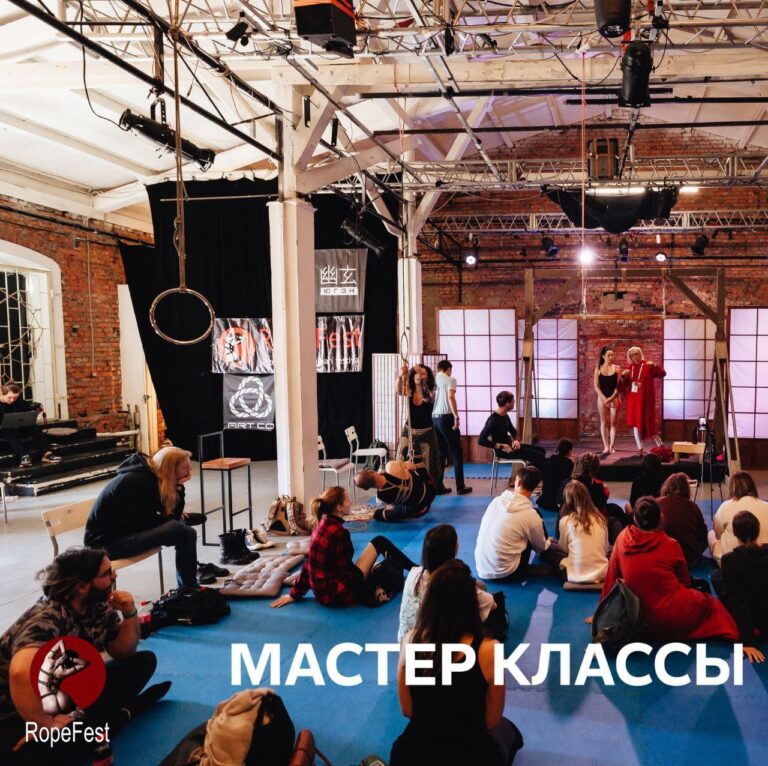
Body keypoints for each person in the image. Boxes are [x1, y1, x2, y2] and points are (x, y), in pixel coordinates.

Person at [0, 547, 170, 764]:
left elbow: (123, 651)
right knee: (32, 755)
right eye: (106, 574)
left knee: (143, 662)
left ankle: (91, 726)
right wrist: (44, 723)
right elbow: (19, 672)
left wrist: (129, 613)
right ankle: (117, 717)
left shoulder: (97, 605)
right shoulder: (48, 618)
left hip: (65, 696)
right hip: (16, 711)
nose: (114, 576)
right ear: (81, 587)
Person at [390, 560, 524, 766]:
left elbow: (407, 709)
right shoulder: (490, 650)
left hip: (415, 754)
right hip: (469, 755)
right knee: (508, 731)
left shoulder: (410, 641)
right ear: (471, 604)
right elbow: (492, 720)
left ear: (430, 601)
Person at [599, 497, 739, 643]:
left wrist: (602, 610)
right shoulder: (671, 544)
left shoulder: (622, 539)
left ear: (635, 518)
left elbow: (612, 575)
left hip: (636, 615)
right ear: (660, 518)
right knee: (711, 604)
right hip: (671, 615)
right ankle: (739, 637)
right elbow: (685, 581)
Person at [271, 486, 415, 608]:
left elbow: (310, 565)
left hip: (322, 594)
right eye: (347, 500)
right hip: (338, 595)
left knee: (381, 548)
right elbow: (345, 574)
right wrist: (367, 588)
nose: (350, 502)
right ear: (339, 507)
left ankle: (415, 570)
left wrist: (295, 594)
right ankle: (417, 570)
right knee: (389, 562)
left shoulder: (320, 525)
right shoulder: (339, 533)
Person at [84, 448, 206, 588]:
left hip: (127, 531)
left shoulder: (153, 477)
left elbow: (166, 513)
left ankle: (188, 587)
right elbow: (143, 523)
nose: (190, 470)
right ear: (170, 468)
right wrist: (171, 520)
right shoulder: (138, 481)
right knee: (179, 528)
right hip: (106, 545)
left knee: (186, 532)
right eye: (185, 467)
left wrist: (179, 488)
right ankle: (188, 588)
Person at [398, 524, 496, 643]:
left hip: (405, 642)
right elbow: (492, 604)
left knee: (479, 586)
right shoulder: (451, 584)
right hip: (434, 648)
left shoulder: (414, 573)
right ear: (454, 549)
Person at [474, 465, 551, 581]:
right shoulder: (530, 514)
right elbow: (541, 548)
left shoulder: (496, 501)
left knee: (522, 527)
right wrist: (548, 542)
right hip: (507, 573)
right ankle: (524, 568)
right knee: (532, 524)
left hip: (481, 569)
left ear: (518, 482)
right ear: (535, 487)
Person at [711, 511, 767, 664]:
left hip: (757, 620)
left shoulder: (730, 560)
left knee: (717, 576)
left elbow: (739, 601)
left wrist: (748, 641)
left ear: (735, 533)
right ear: (758, 530)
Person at [396, 363, 449, 494]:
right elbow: (398, 390)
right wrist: (400, 375)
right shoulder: (409, 391)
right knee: (401, 457)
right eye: (416, 373)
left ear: (428, 378)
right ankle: (402, 486)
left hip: (427, 432)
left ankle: (431, 488)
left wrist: (422, 380)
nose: (419, 375)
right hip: (409, 431)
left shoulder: (432, 392)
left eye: (423, 373)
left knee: (429, 464)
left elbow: (427, 398)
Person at [544, 481, 609, 584]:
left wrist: (551, 544)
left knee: (550, 549)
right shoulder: (600, 519)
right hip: (601, 573)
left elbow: (564, 549)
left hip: (575, 575)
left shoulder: (565, 521)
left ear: (567, 501)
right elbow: (605, 549)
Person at [709, 471, 768, 565]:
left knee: (711, 534)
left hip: (731, 561)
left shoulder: (725, 506)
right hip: (763, 560)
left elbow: (718, 534)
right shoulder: (766, 506)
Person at [477, 390, 546, 471]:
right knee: (538, 456)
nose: (514, 402)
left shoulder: (505, 416)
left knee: (542, 451)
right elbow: (481, 440)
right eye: (513, 401)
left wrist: (516, 441)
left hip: (512, 446)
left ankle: (534, 473)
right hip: (503, 451)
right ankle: (534, 476)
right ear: (507, 403)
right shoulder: (493, 420)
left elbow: (514, 432)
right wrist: (500, 446)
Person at [431, 359, 471, 495]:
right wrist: (456, 417)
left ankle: (438, 486)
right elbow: (450, 397)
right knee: (456, 451)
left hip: (434, 418)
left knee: (441, 452)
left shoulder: (433, 380)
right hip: (446, 417)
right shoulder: (450, 380)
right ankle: (460, 487)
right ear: (448, 369)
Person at [0, 382, 61, 468]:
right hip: (4, 432)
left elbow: (28, 408)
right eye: (9, 397)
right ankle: (24, 456)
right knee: (9, 430)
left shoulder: (18, 401)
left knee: (34, 427)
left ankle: (47, 454)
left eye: (15, 397)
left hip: (19, 428)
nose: (12, 400)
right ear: (2, 394)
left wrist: (36, 410)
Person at [354, 460, 436, 522]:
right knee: (415, 464)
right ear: (372, 471)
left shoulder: (380, 498)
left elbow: (393, 505)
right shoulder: (391, 466)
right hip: (431, 489)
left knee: (378, 514)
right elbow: (412, 467)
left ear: (367, 488)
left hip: (421, 507)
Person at [657, 472, 708, 569]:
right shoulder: (693, 507)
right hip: (688, 560)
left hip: (662, 560)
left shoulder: (657, 503)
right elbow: (703, 535)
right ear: (686, 489)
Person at [620, 346, 666, 453]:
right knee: (636, 424)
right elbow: (622, 388)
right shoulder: (629, 369)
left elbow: (662, 374)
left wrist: (655, 365)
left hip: (646, 401)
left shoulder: (648, 366)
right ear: (630, 356)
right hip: (634, 401)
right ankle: (640, 448)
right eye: (632, 355)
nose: (635, 356)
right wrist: (622, 376)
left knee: (649, 424)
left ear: (640, 354)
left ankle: (661, 446)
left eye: (636, 354)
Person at [593, 347, 621, 456]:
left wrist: (612, 398)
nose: (611, 357)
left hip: (614, 397)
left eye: (612, 355)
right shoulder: (598, 369)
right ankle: (606, 446)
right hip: (602, 398)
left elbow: (619, 386)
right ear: (603, 356)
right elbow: (596, 386)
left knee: (613, 423)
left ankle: (612, 447)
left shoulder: (617, 368)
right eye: (609, 355)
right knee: (604, 423)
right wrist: (604, 399)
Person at [537, 439, 574, 512]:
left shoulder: (549, 461)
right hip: (559, 503)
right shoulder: (569, 465)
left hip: (545, 501)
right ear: (570, 451)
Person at [623, 453, 664, 517]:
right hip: (659, 513)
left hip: (642, 514)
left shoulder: (638, 482)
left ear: (643, 467)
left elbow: (633, 503)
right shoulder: (664, 480)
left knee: (627, 505)